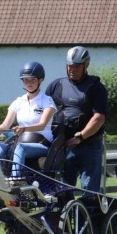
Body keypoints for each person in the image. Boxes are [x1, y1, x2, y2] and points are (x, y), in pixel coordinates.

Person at [45, 46, 108, 197]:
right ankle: (66, 218)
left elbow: (99, 117)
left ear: (86, 65)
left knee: (89, 192)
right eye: (70, 66)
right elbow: (43, 110)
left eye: (77, 66)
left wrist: (80, 137)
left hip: (90, 145)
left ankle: (89, 219)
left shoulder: (96, 88)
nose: (72, 69)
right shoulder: (56, 86)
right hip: (64, 145)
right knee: (63, 190)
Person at [0, 61, 57, 177]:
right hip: (21, 141)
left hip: (42, 144)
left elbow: (42, 125)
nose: (29, 83)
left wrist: (24, 129)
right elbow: (5, 126)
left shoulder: (47, 101)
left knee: (20, 147)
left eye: (33, 79)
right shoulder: (18, 102)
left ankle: (15, 181)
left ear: (40, 80)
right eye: (26, 80)